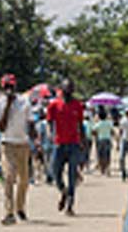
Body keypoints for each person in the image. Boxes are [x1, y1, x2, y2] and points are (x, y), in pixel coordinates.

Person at [0, 73, 34, 225]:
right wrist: (8, 105)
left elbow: (30, 123)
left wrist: (35, 140)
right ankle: (9, 212)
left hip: (23, 143)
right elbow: (1, 127)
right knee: (9, 177)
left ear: (15, 86)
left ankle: (20, 207)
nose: (9, 89)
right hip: (7, 143)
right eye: (6, 87)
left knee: (24, 179)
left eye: (11, 86)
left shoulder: (25, 101)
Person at [46, 79, 86, 216]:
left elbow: (81, 125)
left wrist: (83, 143)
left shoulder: (78, 105)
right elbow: (50, 122)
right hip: (59, 143)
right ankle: (63, 190)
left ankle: (70, 203)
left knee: (72, 174)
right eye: (66, 89)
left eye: (71, 89)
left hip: (74, 143)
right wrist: (50, 134)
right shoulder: (54, 105)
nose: (69, 91)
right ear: (61, 89)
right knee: (55, 172)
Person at [93, 106, 114, 175]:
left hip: (100, 140)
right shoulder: (109, 123)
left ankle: (102, 169)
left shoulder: (98, 124)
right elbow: (112, 131)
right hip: (107, 139)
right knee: (107, 154)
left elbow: (93, 131)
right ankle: (108, 168)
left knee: (100, 155)